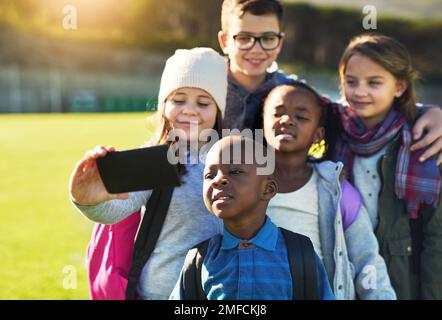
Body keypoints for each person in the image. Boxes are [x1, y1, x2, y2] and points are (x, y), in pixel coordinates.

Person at [69, 47, 228, 300]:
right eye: (178, 99)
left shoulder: (232, 156)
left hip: (221, 294)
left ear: (218, 110)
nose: (189, 110)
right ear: (164, 105)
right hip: (161, 293)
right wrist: (87, 199)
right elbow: (115, 211)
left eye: (203, 102)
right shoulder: (154, 157)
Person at [219, 0, 442, 164]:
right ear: (225, 41)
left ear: (279, 42)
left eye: (267, 38)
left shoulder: (290, 92)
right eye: (244, 38)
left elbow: (348, 111)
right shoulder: (203, 85)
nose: (256, 48)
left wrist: (429, 112)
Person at [332, 33, 442, 299]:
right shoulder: (332, 130)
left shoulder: (424, 141)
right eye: (351, 81)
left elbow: (437, 238)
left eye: (374, 83)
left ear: (400, 87)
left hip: (404, 279)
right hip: (346, 272)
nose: (360, 91)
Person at [262, 82, 396, 299]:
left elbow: (367, 260)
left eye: (302, 117)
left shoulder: (337, 191)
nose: (286, 120)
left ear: (318, 135)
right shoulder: (243, 183)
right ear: (262, 124)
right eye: (277, 113)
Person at [170, 135, 335, 300]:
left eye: (235, 171)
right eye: (210, 175)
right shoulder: (200, 260)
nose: (218, 181)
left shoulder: (299, 253)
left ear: (268, 190)